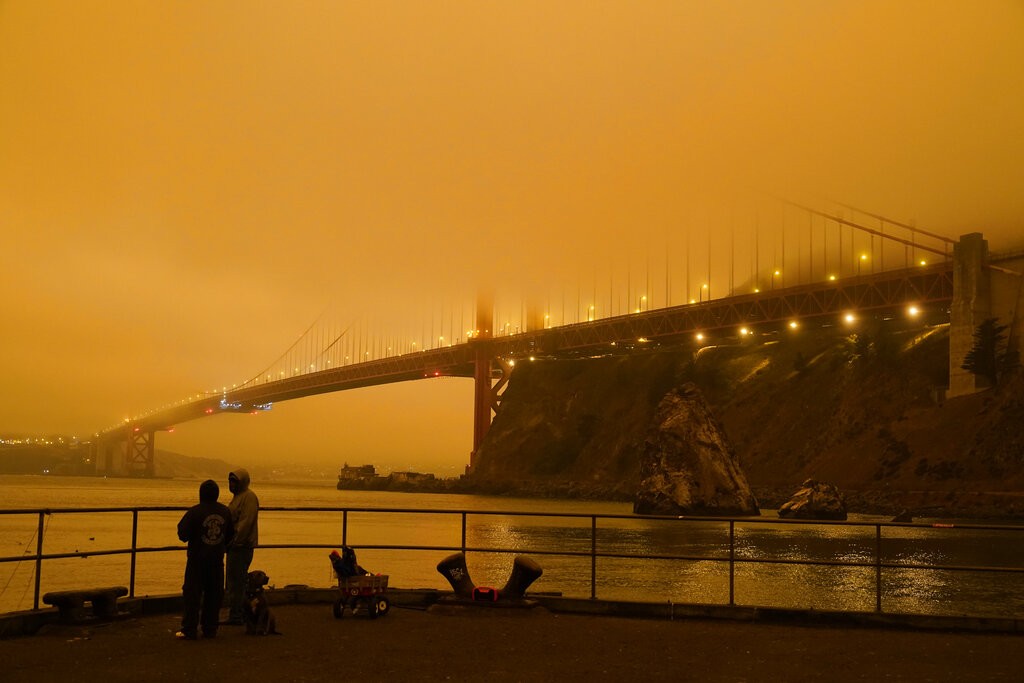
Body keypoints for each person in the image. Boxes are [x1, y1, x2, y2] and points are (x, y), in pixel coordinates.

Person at [176, 479, 234, 640]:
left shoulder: (194, 512)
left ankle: (189, 629)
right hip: (216, 560)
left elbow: (182, 534)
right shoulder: (225, 511)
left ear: (200, 494)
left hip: (196, 560)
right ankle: (210, 629)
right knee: (214, 595)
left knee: (192, 595)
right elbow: (230, 535)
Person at [224, 467, 259, 625]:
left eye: (234, 481)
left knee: (237, 582)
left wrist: (235, 541)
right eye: (230, 481)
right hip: (235, 546)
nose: (231, 484)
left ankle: (237, 615)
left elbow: (245, 523)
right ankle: (238, 613)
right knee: (233, 581)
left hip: (241, 547)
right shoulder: (238, 497)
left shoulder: (248, 497)